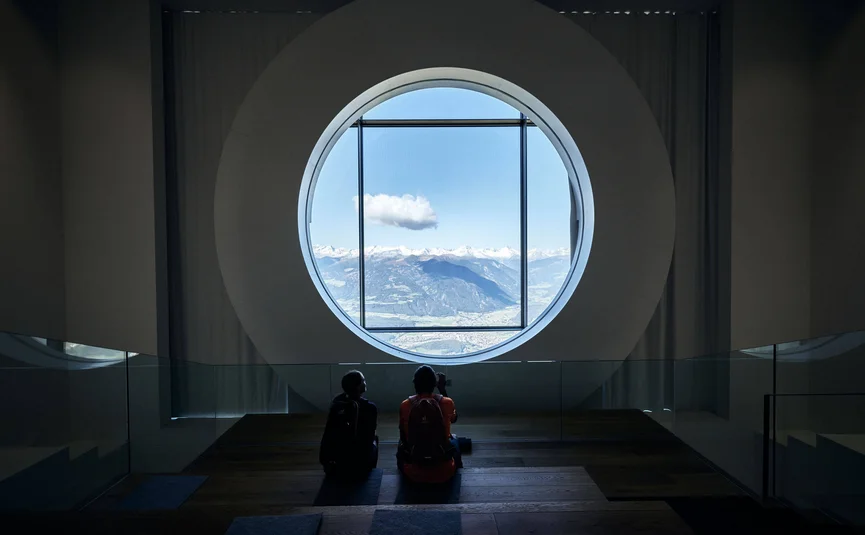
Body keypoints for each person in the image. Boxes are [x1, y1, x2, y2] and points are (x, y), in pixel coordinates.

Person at [397, 365, 462, 483]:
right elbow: (454, 418)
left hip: (413, 473)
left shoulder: (405, 405)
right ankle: (458, 473)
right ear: (434, 384)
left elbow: (403, 436)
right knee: (454, 440)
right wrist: (442, 389)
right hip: (444, 472)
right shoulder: (447, 402)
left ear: (415, 383)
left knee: (400, 444)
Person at [320, 370, 378, 478]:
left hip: (338, 463)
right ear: (358, 386)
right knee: (375, 439)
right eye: (363, 381)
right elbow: (369, 437)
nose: (365, 383)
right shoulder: (369, 408)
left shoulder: (337, 404)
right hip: (359, 465)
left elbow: (328, 432)